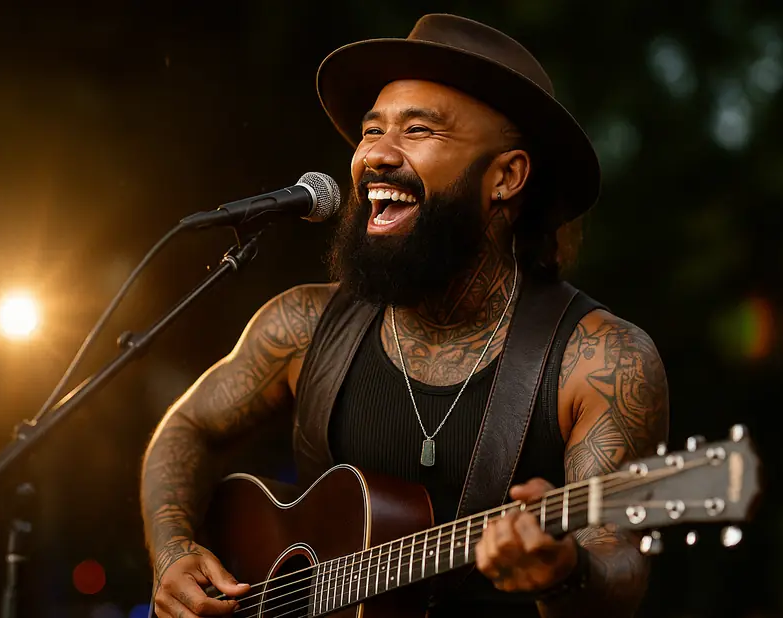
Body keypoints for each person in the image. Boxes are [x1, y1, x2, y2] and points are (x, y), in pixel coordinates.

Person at [141, 13, 669, 618]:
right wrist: (175, 550)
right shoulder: (303, 326)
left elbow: (618, 562)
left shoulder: (600, 361)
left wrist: (566, 571)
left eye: (419, 131)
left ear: (506, 177)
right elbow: (185, 431)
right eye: (371, 131)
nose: (376, 156)